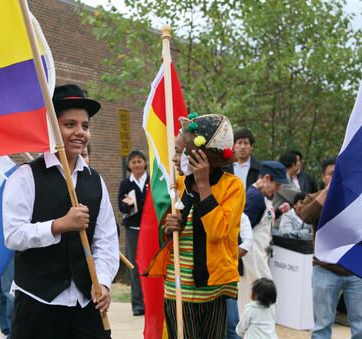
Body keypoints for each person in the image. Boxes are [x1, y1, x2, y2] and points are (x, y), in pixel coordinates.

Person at [3, 84, 119, 339]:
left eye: (85, 126)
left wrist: (103, 282)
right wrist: (59, 225)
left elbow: (106, 240)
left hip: (86, 304)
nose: (80, 133)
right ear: (53, 128)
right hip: (37, 304)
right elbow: (13, 234)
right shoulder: (25, 177)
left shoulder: (95, 180)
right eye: (70, 125)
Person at [154, 113, 245, 338]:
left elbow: (217, 233)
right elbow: (166, 238)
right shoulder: (177, 185)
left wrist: (203, 185)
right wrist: (168, 228)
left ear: (201, 156)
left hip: (212, 291)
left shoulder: (232, 187)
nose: (176, 158)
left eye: (182, 151)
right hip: (178, 291)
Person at [297, 157, 362, 339]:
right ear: (323, 176)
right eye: (331, 174)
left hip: (355, 270)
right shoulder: (315, 196)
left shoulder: (356, 201)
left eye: (339, 174)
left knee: (360, 326)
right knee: (322, 327)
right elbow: (306, 216)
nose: (336, 178)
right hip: (324, 269)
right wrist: (326, 193)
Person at [238, 161, 289, 311]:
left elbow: (261, 222)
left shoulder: (262, 196)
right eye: (277, 185)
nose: (278, 189)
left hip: (259, 254)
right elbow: (243, 229)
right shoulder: (255, 198)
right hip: (251, 257)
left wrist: (278, 212)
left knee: (256, 296)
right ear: (267, 178)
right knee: (262, 296)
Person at [117, 149, 148, 316]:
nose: (137, 164)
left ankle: (152, 301)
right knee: (135, 266)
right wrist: (127, 205)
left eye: (139, 161)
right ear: (129, 165)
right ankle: (138, 304)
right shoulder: (126, 184)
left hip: (150, 228)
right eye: (133, 162)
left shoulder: (151, 180)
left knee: (151, 264)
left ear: (145, 163)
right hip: (133, 229)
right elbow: (121, 206)